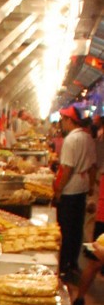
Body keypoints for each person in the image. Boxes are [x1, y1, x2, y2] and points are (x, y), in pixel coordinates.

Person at [53, 104, 96, 280]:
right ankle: (73, 262)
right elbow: (93, 167)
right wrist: (91, 187)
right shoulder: (88, 138)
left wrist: (58, 190)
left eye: (63, 120)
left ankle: (63, 266)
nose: (61, 124)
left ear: (69, 120)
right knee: (77, 228)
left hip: (70, 189)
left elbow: (67, 168)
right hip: (82, 187)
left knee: (65, 228)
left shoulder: (70, 140)